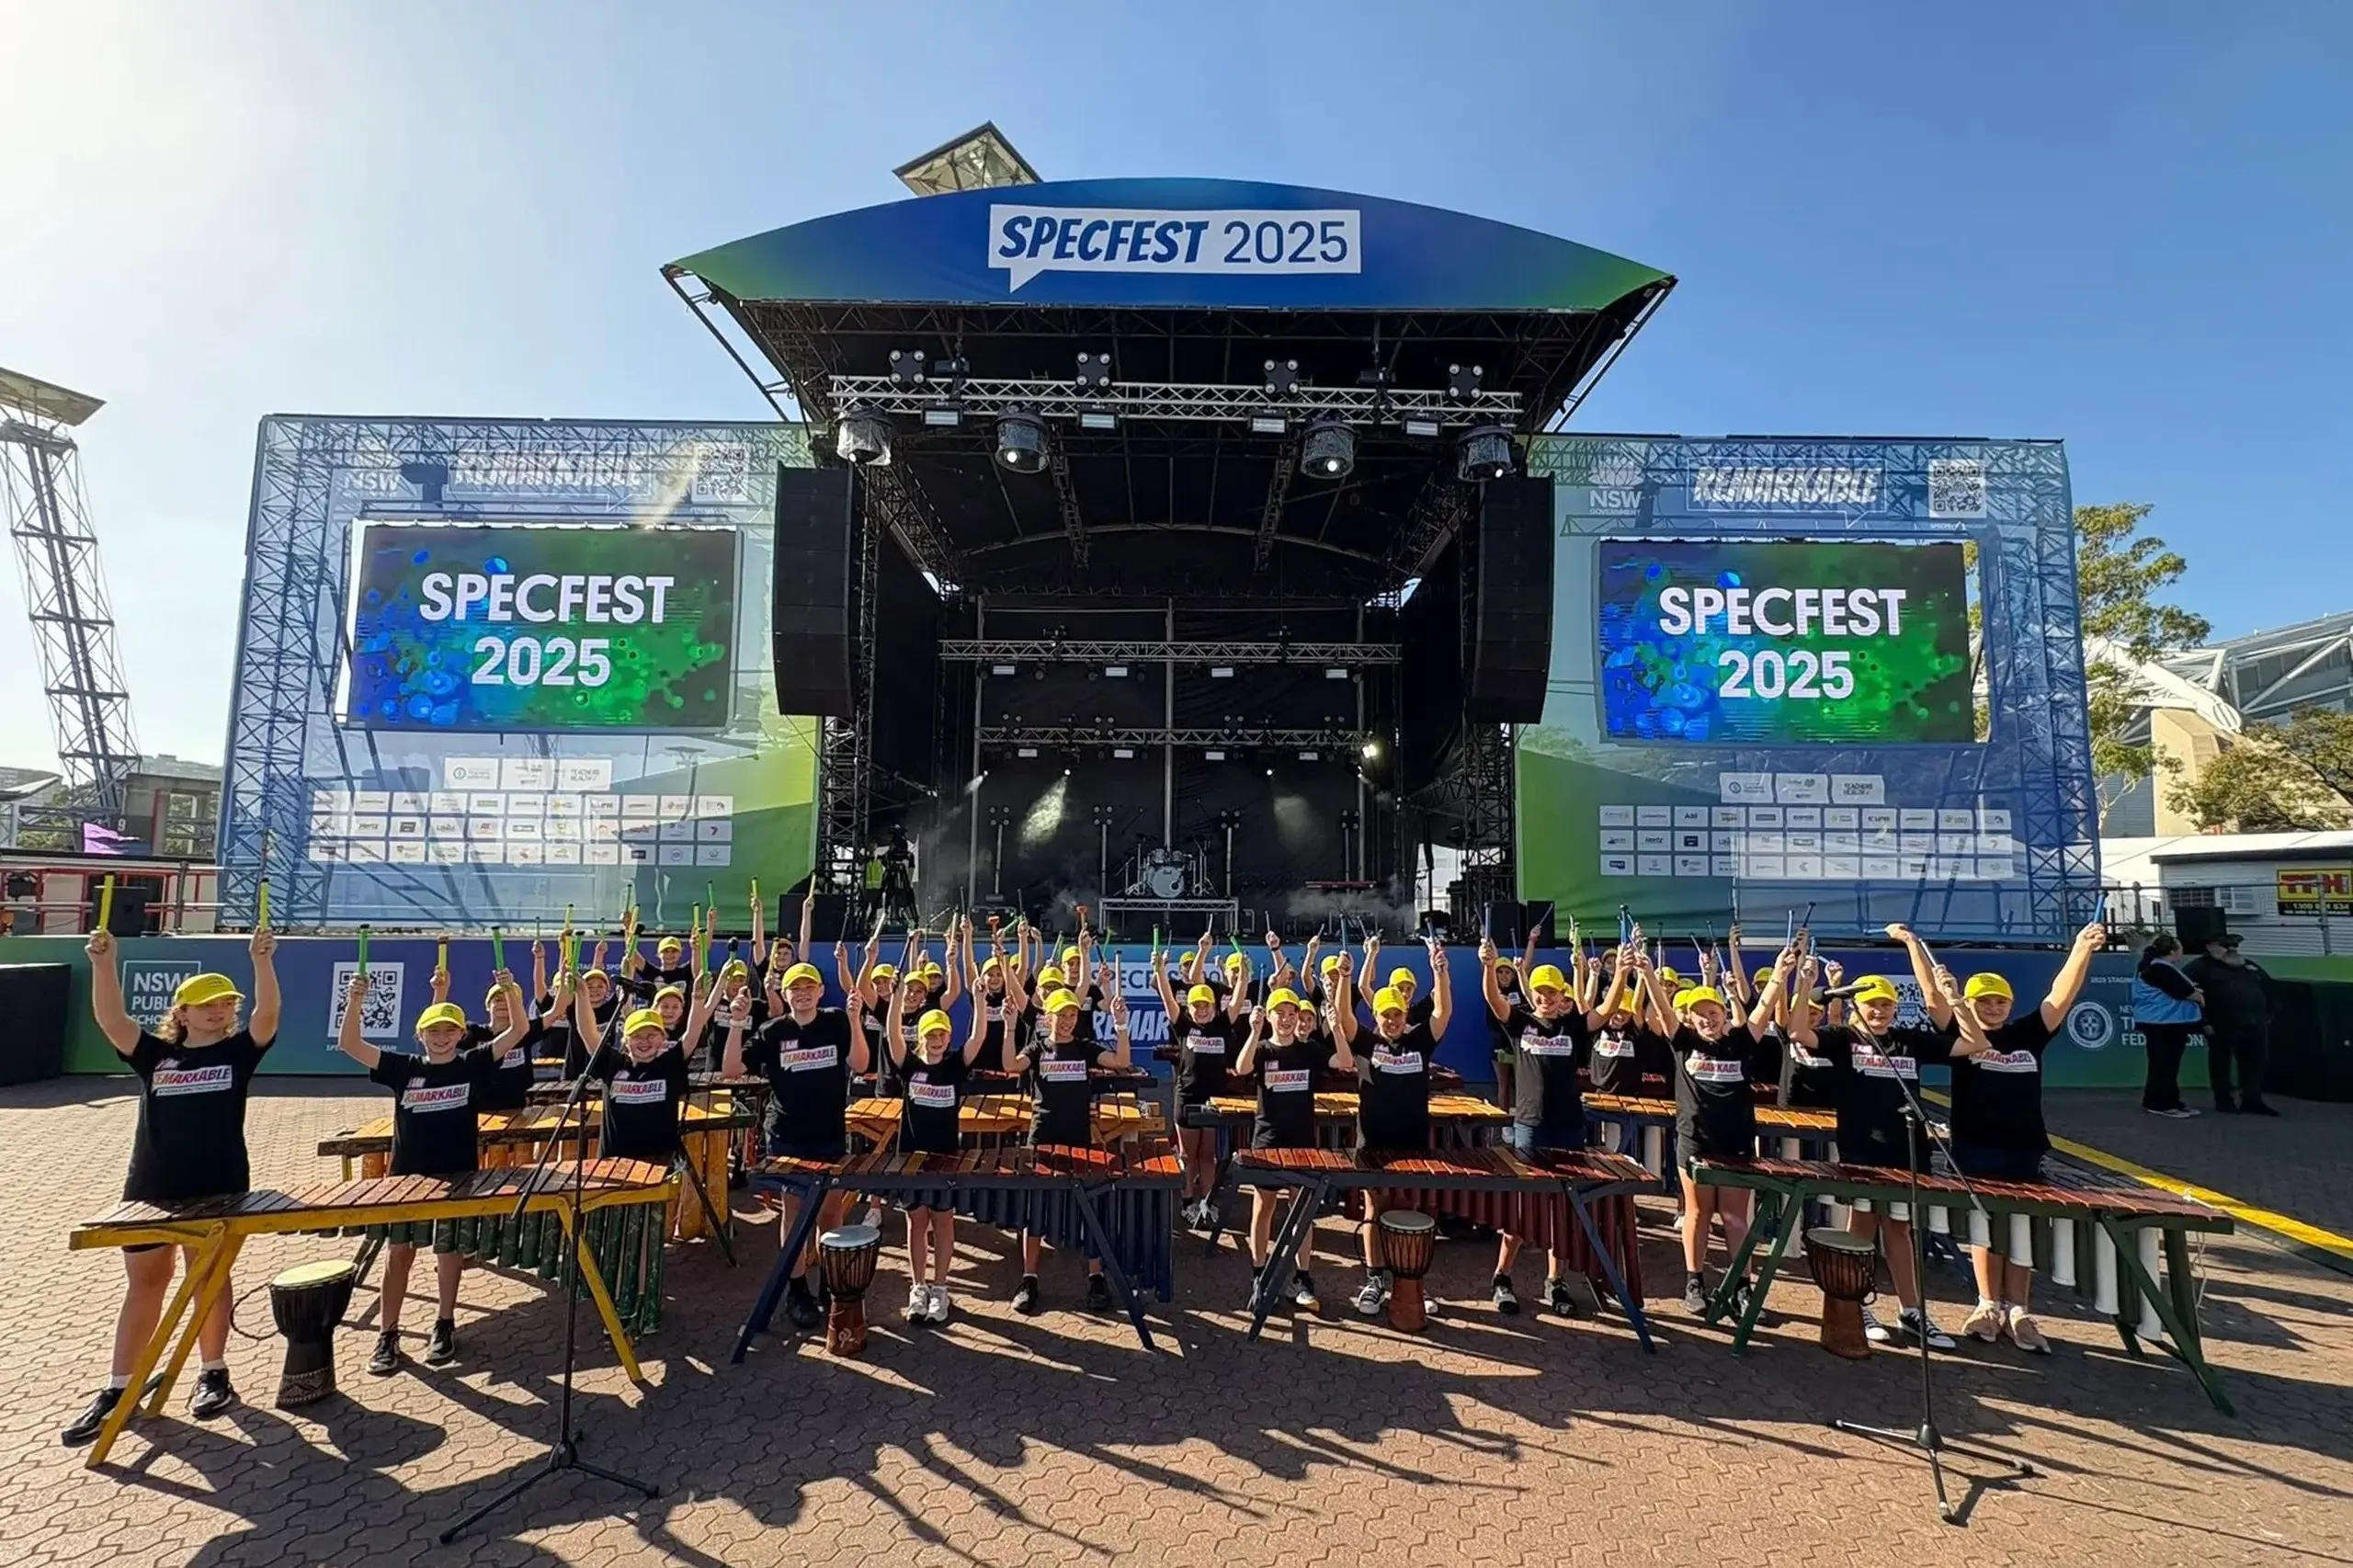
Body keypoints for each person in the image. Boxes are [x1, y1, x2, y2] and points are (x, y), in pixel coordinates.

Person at [63, 927, 280, 1446]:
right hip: (151, 1186)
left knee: (208, 1280)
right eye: (205, 1004)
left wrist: (262, 962)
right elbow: (112, 1021)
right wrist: (103, 962)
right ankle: (120, 1387)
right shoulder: (155, 1056)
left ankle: (214, 1373)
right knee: (146, 1283)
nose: (217, 1011)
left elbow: (267, 1018)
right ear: (181, 1013)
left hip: (220, 1186)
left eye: (226, 1003)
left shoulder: (238, 1055)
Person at [1915, 922, 2103, 1351]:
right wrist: (1916, 950)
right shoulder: (1963, 1038)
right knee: (1984, 1225)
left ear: (2011, 1003)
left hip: (2025, 1145)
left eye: (2000, 1001)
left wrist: (2081, 949)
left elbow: (2061, 995)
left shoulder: (2028, 1034)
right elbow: (1933, 1001)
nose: (1994, 1007)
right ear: (1971, 1004)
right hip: (1975, 1144)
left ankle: (2018, 1309)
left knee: (2020, 1228)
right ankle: (1985, 1304)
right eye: (1984, 1001)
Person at [338, 971, 532, 1375]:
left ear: (462, 1033)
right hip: (407, 1178)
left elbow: (519, 1030)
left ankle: (444, 1323)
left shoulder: (471, 1064)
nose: (442, 1036)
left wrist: (512, 992)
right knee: (399, 1255)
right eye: (433, 1030)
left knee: (449, 1253)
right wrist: (355, 999)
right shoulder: (401, 1067)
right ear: (420, 1034)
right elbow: (350, 1044)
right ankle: (387, 1333)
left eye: (449, 1030)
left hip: (458, 1176)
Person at [1790, 932, 1956, 1350]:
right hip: (1862, 1153)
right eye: (1870, 1005)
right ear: (1854, 1009)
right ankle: (1857, 1304)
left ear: (1895, 1008)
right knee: (1860, 1231)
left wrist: (1953, 1002)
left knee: (1899, 1232)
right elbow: (1798, 1032)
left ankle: (1912, 1311)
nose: (1878, 1011)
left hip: (1907, 1152)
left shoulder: (1910, 1040)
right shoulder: (1844, 1040)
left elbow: (1972, 1043)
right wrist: (1807, 985)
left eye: (1884, 1004)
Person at [728, 952, 866, 1332]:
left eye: (809, 986)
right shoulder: (773, 1031)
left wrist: (855, 1019)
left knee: (831, 1214)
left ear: (821, 991)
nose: (802, 993)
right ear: (785, 994)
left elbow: (860, 1064)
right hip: (787, 1135)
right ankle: (797, 1290)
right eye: (795, 988)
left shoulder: (837, 1021)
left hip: (829, 1133)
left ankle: (831, 1286)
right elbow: (732, 1069)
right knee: (794, 1214)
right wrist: (738, 1023)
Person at [1641, 948, 1779, 1318]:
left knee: (1735, 1217)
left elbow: (1765, 1006)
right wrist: (1647, 973)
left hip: (1735, 1142)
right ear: (1690, 1017)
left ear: (1724, 1015)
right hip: (1695, 1141)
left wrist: (1781, 969)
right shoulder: (1683, 1040)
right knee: (1698, 1214)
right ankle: (1695, 1281)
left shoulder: (1742, 1040)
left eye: (1713, 1012)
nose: (1707, 1019)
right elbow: (1662, 1008)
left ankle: (1741, 1286)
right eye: (1700, 1014)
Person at [1008, 935, 1133, 1313]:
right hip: (1042, 1135)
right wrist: (1006, 1027)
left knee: (1087, 1208)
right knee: (1035, 1209)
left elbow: (1121, 1061)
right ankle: (1029, 1279)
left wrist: (1121, 1025)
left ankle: (1096, 1277)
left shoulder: (1084, 1047)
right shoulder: (1037, 1048)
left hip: (1078, 1136)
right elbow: (1011, 1067)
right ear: (1046, 1017)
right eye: (1058, 1015)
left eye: (1070, 1015)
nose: (1064, 1021)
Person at [1482, 944, 1591, 1317]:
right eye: (1539, 992)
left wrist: (1623, 972)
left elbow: (1603, 1011)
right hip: (1529, 1125)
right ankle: (1502, 1277)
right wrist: (1486, 966)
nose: (1545, 997)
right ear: (1532, 994)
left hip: (1568, 1126)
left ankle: (1555, 1281)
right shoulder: (1520, 1023)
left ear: (1563, 996)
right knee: (1523, 1211)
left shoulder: (1574, 1026)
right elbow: (1495, 1000)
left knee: (1562, 1210)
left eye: (1552, 992)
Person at [1350, 937, 1455, 1318]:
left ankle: (1408, 1282)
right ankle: (1373, 1279)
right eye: (1385, 1014)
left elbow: (1442, 1014)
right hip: (1373, 1142)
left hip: (1412, 1141)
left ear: (1404, 1014)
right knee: (1374, 1208)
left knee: (1409, 1208)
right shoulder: (1365, 1043)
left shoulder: (1418, 1040)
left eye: (1396, 1013)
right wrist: (1345, 980)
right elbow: (1346, 1019)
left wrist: (1440, 971)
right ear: (1375, 1017)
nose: (1391, 1020)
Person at [1233, 986, 1352, 1310]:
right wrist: (1254, 1030)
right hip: (1268, 1141)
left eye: (1292, 1015)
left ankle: (1303, 1275)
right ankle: (1259, 1271)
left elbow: (1345, 1060)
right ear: (1270, 1016)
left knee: (1302, 1211)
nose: (1286, 1020)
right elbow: (1242, 1068)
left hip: (1301, 1141)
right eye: (1280, 1014)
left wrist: (1338, 1027)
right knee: (1264, 1208)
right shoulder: (1262, 1049)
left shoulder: (1309, 1049)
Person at [887, 989, 993, 1325]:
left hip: (946, 1158)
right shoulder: (910, 1066)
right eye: (930, 1034)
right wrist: (894, 1000)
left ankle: (941, 1286)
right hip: (912, 1159)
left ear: (949, 1037)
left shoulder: (953, 1067)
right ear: (921, 1038)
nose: (936, 1039)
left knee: (943, 1221)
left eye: (942, 1034)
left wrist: (978, 1001)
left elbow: (978, 1037)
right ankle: (918, 1286)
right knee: (916, 1221)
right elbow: (891, 1035)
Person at [1153, 942, 1248, 1231]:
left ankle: (1207, 1202)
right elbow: (1168, 998)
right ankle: (1187, 1202)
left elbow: (1239, 995)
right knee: (1186, 1155)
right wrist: (1160, 970)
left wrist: (1243, 971)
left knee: (1209, 1155)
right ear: (1190, 1008)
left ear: (1213, 1005)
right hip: (1188, 1095)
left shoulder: (1222, 1024)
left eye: (1206, 1004)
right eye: (1196, 1005)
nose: (1201, 1009)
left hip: (1214, 1099)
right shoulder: (1182, 1025)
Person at [2184, 932, 2278, 1115]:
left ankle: (2252, 1100)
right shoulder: (2199, 968)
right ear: (2210, 947)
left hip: (2255, 1023)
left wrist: (2270, 1013)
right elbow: (2188, 995)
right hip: (2221, 1023)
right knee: (2221, 1063)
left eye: (2235, 945)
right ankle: (2223, 1100)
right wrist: (2204, 1022)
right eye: (2226, 946)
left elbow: (2269, 988)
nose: (2232, 949)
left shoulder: (2250, 966)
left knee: (2255, 1062)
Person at [2131, 935, 2205, 1118]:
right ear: (2172, 951)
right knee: (2165, 1065)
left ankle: (2169, 1100)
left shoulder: (2155, 967)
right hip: (2163, 1022)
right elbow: (2184, 991)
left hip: (2162, 1022)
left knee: (2166, 1065)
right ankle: (2160, 1103)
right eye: (2179, 947)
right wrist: (2199, 997)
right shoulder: (2160, 968)